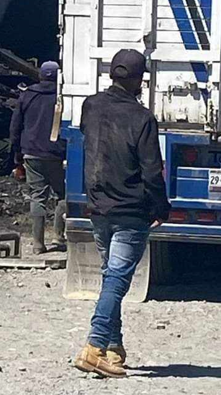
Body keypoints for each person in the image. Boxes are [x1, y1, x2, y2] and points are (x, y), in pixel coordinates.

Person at [72, 49, 170, 378]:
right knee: (116, 280)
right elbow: (152, 171)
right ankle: (94, 346)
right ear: (139, 79)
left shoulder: (91, 106)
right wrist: (161, 207)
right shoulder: (143, 118)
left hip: (98, 206)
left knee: (110, 278)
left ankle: (113, 349)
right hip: (131, 210)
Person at [10, 61, 68, 254]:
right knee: (63, 195)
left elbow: (15, 127)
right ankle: (58, 236)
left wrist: (17, 155)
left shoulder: (27, 95)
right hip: (56, 154)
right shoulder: (63, 97)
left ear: (41, 75)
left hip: (31, 153)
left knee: (38, 196)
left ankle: (37, 244)